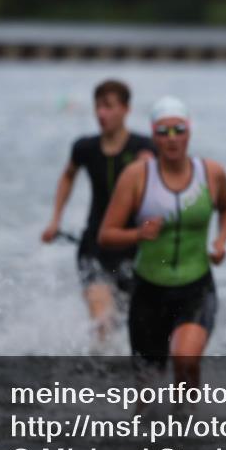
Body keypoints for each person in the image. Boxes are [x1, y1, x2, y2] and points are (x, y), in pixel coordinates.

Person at [99, 96, 226, 390]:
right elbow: (106, 234)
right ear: (153, 136)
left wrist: (221, 240)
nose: (171, 139)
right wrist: (137, 234)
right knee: (147, 393)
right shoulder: (137, 176)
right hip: (148, 292)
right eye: (163, 132)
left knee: (185, 360)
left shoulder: (211, 173)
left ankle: (190, 428)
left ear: (189, 132)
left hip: (195, 287)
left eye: (178, 130)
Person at [41, 80, 156, 345]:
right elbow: (67, 176)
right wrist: (55, 219)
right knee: (102, 320)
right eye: (98, 107)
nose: (102, 114)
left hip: (134, 248)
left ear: (126, 109)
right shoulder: (85, 147)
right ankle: (98, 376)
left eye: (109, 107)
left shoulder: (144, 148)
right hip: (94, 245)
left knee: (131, 323)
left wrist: (151, 171)